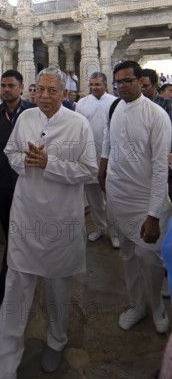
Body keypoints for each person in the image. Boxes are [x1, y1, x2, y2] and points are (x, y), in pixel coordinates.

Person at [0, 67, 97, 379]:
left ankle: (56, 340)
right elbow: (10, 154)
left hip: (60, 220)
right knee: (15, 291)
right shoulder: (26, 119)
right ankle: (1, 370)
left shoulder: (78, 124)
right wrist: (28, 161)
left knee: (56, 289)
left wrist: (49, 163)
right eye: (39, 89)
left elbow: (89, 170)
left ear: (64, 94)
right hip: (27, 217)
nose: (44, 96)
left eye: (52, 90)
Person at [98, 60, 172, 334]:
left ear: (141, 82)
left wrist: (153, 214)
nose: (121, 86)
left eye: (127, 81)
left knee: (150, 258)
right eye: (118, 82)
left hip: (146, 200)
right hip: (118, 195)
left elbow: (160, 168)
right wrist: (102, 167)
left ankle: (156, 307)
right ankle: (137, 304)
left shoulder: (156, 116)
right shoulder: (115, 107)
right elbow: (108, 137)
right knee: (128, 255)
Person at [0, 70, 36, 304]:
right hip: (3, 182)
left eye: (11, 85)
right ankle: (13, 281)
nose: (6, 89)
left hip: (30, 180)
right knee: (11, 231)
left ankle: (12, 284)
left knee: (26, 232)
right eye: (3, 85)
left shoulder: (32, 112)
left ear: (21, 87)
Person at [76, 72, 119, 248]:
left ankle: (115, 233)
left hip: (111, 160)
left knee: (112, 199)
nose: (93, 88)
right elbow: (78, 130)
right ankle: (100, 229)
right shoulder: (81, 104)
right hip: (89, 158)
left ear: (106, 85)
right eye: (91, 84)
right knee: (94, 200)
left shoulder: (116, 102)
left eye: (97, 84)